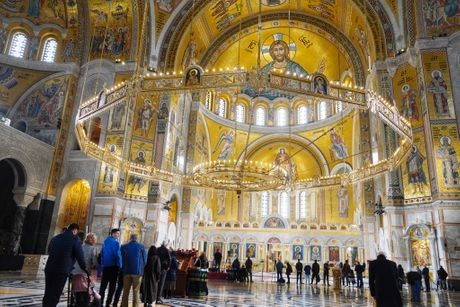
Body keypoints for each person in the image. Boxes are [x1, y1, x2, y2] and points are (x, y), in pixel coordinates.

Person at [43, 223, 87, 307]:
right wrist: (84, 267)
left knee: (48, 292)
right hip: (62, 270)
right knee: (55, 293)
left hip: (49, 268)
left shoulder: (55, 238)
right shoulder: (75, 239)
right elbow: (79, 255)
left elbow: (49, 250)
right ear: (75, 230)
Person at [71, 232, 98, 306]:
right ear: (93, 240)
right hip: (84, 273)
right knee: (86, 289)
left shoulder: (80, 246)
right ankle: (84, 302)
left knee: (75, 288)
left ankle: (73, 301)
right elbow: (94, 262)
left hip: (74, 272)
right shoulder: (93, 248)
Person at [120, 234, 146, 307]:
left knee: (125, 291)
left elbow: (121, 260)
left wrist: (123, 269)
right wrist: (141, 270)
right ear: (137, 239)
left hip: (126, 272)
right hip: (137, 273)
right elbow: (145, 260)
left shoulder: (123, 246)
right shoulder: (141, 246)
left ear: (130, 238)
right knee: (136, 292)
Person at [99, 228, 122, 307]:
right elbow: (117, 255)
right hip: (113, 267)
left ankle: (100, 302)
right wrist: (120, 266)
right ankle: (108, 303)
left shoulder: (105, 241)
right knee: (112, 287)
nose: (118, 235)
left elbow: (101, 253)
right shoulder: (115, 243)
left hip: (105, 266)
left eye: (119, 234)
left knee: (103, 286)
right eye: (117, 233)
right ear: (113, 233)